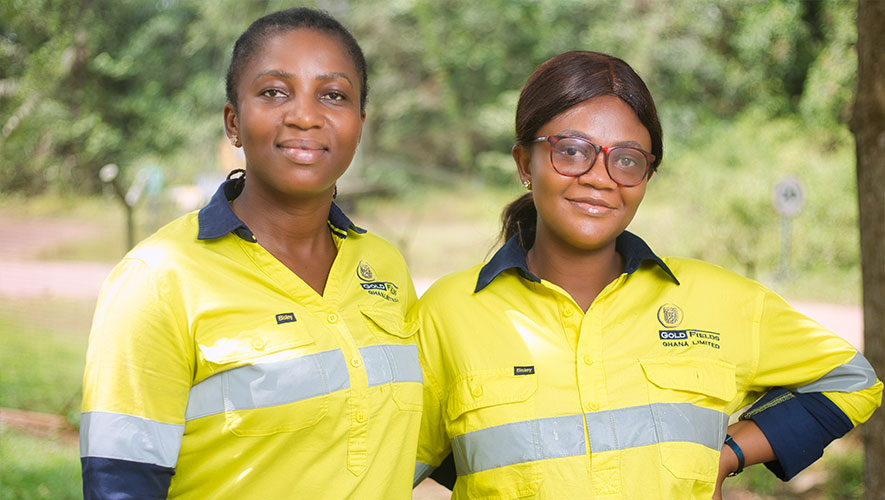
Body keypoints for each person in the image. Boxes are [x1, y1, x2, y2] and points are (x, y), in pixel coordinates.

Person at [412, 51, 882, 499]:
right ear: (524, 164)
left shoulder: (719, 300)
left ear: (646, 176)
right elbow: (384, 461)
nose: (600, 177)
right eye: (572, 151)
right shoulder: (449, 312)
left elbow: (850, 379)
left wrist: (730, 454)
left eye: (627, 159)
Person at [80, 8, 422, 499]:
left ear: (359, 124)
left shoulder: (383, 266)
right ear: (233, 122)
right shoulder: (158, 278)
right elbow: (121, 482)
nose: (305, 115)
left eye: (333, 95)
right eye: (274, 92)